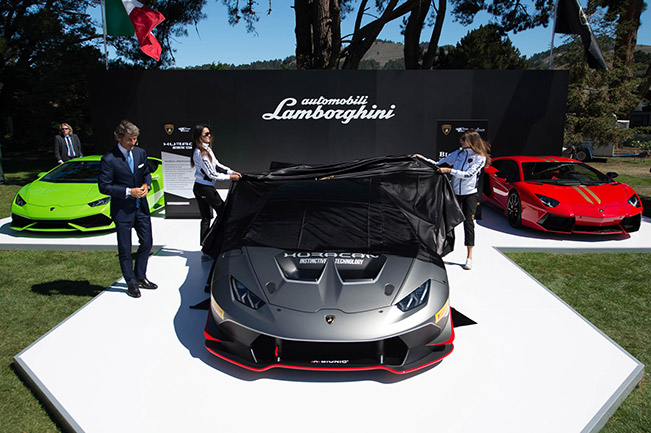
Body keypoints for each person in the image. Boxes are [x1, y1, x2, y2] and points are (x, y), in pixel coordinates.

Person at [415, 129, 491, 270]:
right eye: (461, 139)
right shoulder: (458, 154)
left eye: (463, 139)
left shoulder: (480, 158)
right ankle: (440, 251)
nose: (460, 142)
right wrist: (423, 159)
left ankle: (469, 257)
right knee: (445, 222)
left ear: (471, 141)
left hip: (470, 195)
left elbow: (468, 174)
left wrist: (449, 171)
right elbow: (439, 164)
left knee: (468, 224)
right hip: (454, 193)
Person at [98, 120, 157, 298]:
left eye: (135, 139)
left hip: (141, 209)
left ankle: (141, 276)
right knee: (125, 248)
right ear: (119, 137)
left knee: (147, 243)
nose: (133, 143)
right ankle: (130, 282)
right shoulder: (109, 159)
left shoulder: (140, 153)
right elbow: (104, 186)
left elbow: (145, 172)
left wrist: (146, 184)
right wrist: (128, 191)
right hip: (122, 211)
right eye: (129, 140)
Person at [191, 124, 241, 259]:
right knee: (222, 213)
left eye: (209, 133)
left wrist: (231, 171)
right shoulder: (200, 153)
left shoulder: (207, 149)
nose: (209, 136)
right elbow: (212, 174)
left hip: (203, 187)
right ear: (198, 137)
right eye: (205, 134)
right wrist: (230, 177)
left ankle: (207, 248)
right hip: (204, 188)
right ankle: (210, 247)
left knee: (208, 217)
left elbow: (217, 165)